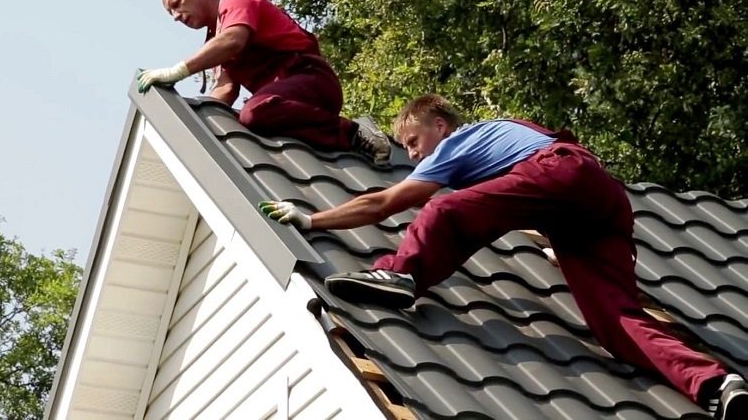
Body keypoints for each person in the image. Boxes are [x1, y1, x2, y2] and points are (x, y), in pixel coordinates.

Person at [259, 93, 748, 419]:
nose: (411, 157)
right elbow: (540, 196)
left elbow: (385, 203)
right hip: (598, 199)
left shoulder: (457, 143)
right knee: (617, 325)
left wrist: (310, 219)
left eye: (413, 141)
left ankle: (399, 276)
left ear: (440, 124)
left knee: (445, 208)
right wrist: (564, 248)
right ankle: (717, 386)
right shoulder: (511, 138)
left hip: (560, 177)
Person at [136, 0, 391, 165]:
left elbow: (234, 40)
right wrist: (199, 125)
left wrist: (177, 71)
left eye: (177, 3)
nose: (176, 16)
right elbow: (225, 90)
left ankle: (356, 133)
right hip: (289, 101)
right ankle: (345, 146)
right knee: (249, 119)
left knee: (254, 114)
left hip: (311, 78)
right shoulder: (216, 38)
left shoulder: (238, 2)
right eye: (170, 12)